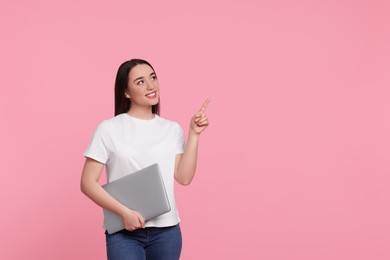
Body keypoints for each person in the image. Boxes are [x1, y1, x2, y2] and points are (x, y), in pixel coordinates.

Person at [80, 59, 209, 260]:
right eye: (140, 81)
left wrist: (194, 133)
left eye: (153, 77)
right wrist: (124, 213)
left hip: (167, 232)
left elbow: (184, 178)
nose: (151, 86)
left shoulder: (171, 129)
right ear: (126, 92)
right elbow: (87, 183)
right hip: (124, 233)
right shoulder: (108, 129)